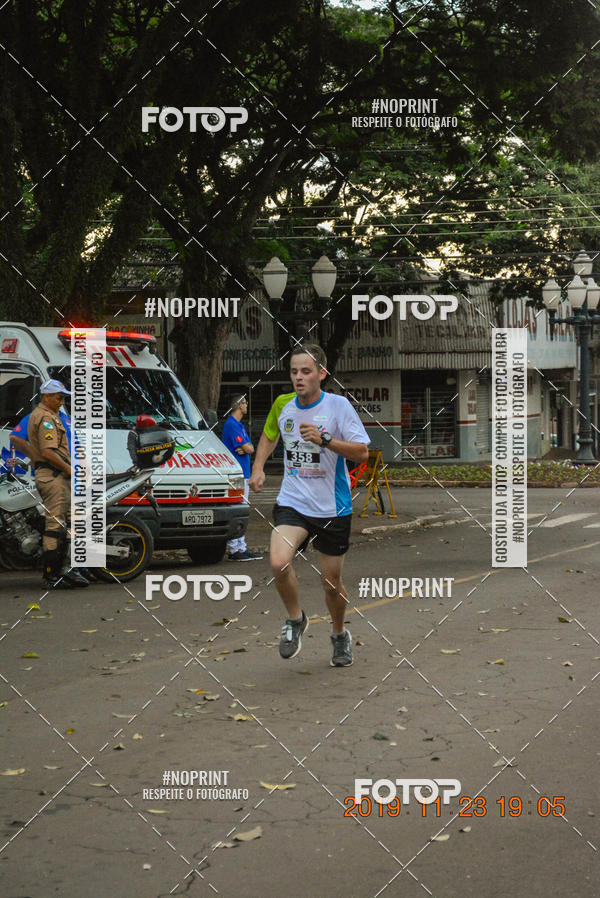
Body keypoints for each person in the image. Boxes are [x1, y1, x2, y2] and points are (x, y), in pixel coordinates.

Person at [249, 344, 369, 667]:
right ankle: (295, 619)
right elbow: (270, 435)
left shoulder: (338, 406)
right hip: (294, 501)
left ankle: (339, 634)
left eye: (306, 371)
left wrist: (325, 440)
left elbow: (362, 453)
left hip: (332, 508)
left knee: (331, 584)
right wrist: (258, 467)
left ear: (321, 374)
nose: (298, 377)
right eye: (294, 372)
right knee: (278, 561)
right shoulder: (283, 405)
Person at [27, 380, 89, 589]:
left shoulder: (51, 415)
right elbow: (47, 452)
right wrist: (69, 468)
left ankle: (67, 570)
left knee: (70, 523)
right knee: (54, 527)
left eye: (63, 398)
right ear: (46, 397)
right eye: (58, 397)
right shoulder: (45, 417)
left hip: (58, 476)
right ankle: (51, 576)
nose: (62, 402)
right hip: (53, 477)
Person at [221, 393, 263, 561]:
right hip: (237, 474)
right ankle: (235, 549)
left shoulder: (238, 425)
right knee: (239, 509)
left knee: (242, 509)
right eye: (245, 403)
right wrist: (246, 448)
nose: (246, 405)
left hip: (243, 473)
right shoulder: (232, 425)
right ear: (239, 405)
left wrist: (246, 448)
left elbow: (249, 447)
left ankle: (240, 547)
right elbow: (248, 448)